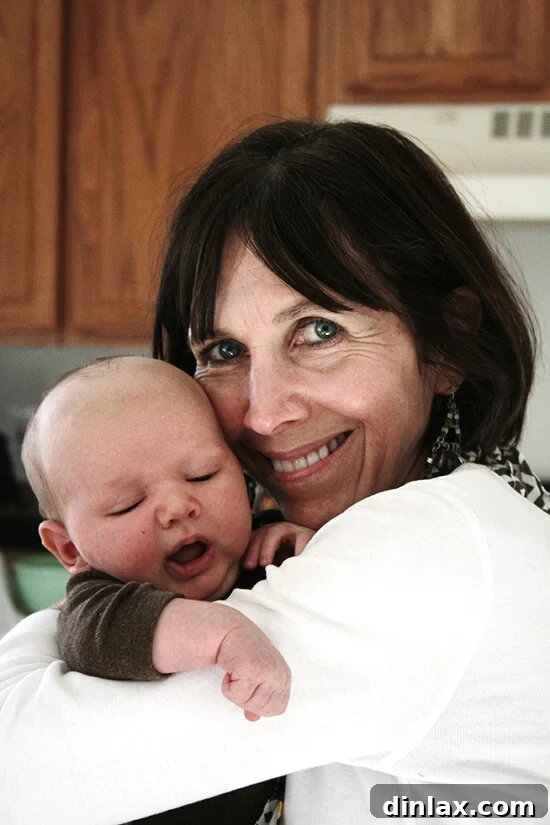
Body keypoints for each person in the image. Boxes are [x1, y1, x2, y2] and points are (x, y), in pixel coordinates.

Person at [1, 120, 549, 825]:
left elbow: (20, 773)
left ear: (446, 342)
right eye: (224, 348)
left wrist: (97, 585)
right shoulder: (475, 513)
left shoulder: (425, 553)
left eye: (319, 330)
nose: (264, 412)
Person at [20, 354, 314, 824]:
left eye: (203, 475)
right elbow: (102, 636)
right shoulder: (97, 604)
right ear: (70, 548)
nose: (178, 507)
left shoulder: (256, 550)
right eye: (127, 504)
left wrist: (294, 542)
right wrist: (224, 635)